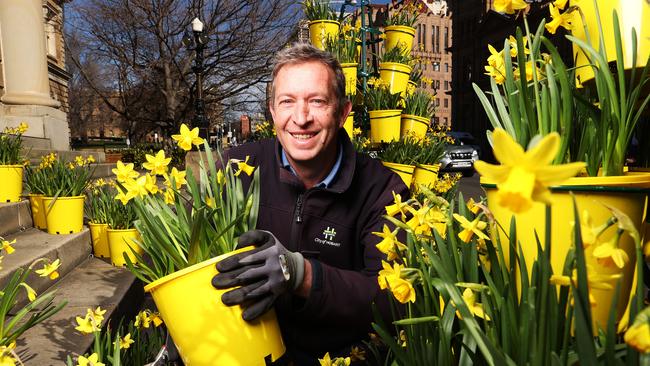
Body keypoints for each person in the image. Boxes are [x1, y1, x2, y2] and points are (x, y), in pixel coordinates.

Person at [212, 43, 409, 365]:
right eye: (287, 102)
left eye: (317, 101)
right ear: (273, 112)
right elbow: (177, 259)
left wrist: (303, 275)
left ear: (343, 112)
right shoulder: (236, 168)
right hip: (242, 353)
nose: (300, 118)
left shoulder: (384, 190)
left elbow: (393, 300)